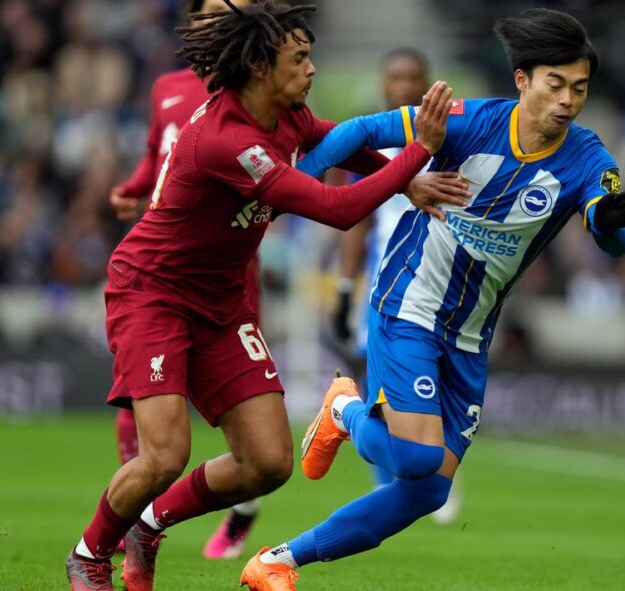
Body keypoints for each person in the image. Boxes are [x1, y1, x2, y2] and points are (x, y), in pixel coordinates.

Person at [239, 9, 625, 589]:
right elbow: (358, 132)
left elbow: (612, 230)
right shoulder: (470, 121)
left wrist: (612, 220)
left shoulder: (586, 155)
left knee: (427, 490)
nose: (568, 101)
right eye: (556, 84)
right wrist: (289, 186)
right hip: (408, 302)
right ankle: (346, 410)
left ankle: (278, 561)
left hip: (470, 335)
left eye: (579, 89)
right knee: (416, 458)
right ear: (523, 80)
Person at [64, 1, 458, 589]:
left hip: (221, 302)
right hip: (154, 293)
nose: (312, 70)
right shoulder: (227, 139)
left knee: (269, 462)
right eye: (299, 58)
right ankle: (90, 553)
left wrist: (407, 177)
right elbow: (337, 209)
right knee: (165, 454)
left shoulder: (285, 111)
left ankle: (150, 524)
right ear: (257, 69)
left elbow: (337, 140)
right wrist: (417, 152)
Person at [108, 0, 265, 561]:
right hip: (165, 266)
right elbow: (159, 153)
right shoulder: (168, 87)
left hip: (230, 271)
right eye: (225, 10)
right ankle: (129, 519)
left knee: (247, 423)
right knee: (148, 408)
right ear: (197, 21)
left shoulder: (263, 87)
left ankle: (238, 506)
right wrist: (133, 187)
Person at [332, 47, 463, 525]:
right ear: (384, 84)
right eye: (395, 77)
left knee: (447, 376)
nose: (404, 86)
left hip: (448, 279)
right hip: (388, 284)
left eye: (413, 77)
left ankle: (436, 470)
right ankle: (389, 485)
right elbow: (357, 221)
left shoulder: (456, 136)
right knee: (381, 386)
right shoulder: (371, 143)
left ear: (429, 82)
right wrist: (345, 288)